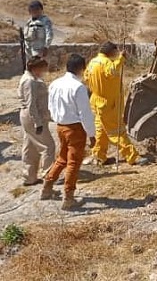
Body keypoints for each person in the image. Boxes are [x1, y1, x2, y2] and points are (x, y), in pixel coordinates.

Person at [42, 54, 97, 210]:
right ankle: (69, 197)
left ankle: (47, 187)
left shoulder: (55, 83)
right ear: (81, 68)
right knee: (73, 162)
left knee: (62, 158)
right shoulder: (78, 87)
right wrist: (92, 134)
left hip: (60, 126)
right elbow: (85, 113)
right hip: (75, 129)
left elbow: (51, 106)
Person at [84, 41, 148, 166]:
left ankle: (99, 156)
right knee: (117, 132)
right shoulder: (106, 63)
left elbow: (86, 78)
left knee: (101, 130)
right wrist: (121, 59)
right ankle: (132, 157)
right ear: (112, 52)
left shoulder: (92, 63)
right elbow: (112, 71)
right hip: (108, 104)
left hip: (96, 102)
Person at [17, 56, 56, 186]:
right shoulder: (30, 82)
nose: (43, 72)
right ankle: (49, 177)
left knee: (30, 147)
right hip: (33, 116)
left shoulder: (29, 78)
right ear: (35, 68)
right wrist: (38, 123)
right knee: (48, 147)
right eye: (42, 69)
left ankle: (29, 177)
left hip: (28, 116)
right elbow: (31, 104)